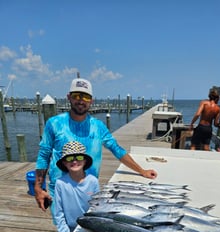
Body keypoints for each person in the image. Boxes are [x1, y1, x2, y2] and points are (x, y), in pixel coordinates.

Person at [34, 77, 157, 212]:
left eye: (85, 97)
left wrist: (142, 171)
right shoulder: (54, 123)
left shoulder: (98, 126)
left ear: (91, 101)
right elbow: (44, 155)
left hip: (88, 190)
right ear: (69, 97)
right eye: (77, 95)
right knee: (65, 230)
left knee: (85, 228)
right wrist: (38, 188)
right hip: (59, 190)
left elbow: (117, 149)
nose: (81, 100)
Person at [54, 141, 99, 232]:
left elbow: (96, 209)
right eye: (69, 158)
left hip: (88, 228)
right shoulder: (60, 183)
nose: (74, 161)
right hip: (68, 230)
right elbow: (58, 213)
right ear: (64, 163)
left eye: (78, 157)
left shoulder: (93, 181)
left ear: (85, 161)